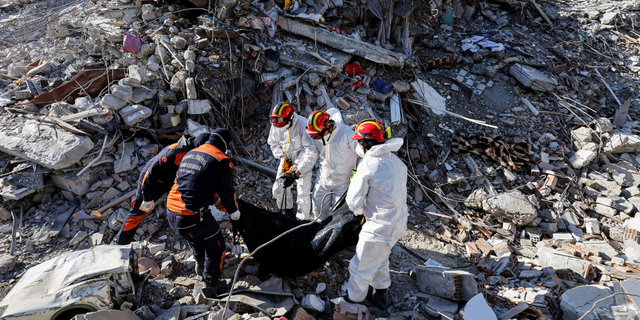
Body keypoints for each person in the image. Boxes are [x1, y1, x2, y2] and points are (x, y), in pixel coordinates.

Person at [166, 128, 240, 298]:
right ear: (225, 143)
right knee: (217, 246)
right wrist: (234, 212)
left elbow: (194, 181)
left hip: (171, 210)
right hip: (189, 215)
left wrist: (213, 199)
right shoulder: (222, 159)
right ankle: (212, 283)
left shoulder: (192, 153)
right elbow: (227, 192)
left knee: (198, 238)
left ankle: (200, 267)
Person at [344, 120, 408, 309]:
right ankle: (381, 295)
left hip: (378, 227)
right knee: (380, 258)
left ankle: (353, 303)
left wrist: (358, 212)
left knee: (359, 267)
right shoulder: (396, 162)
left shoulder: (369, 165)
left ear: (365, 143)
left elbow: (354, 201)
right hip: (397, 225)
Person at [116, 133, 211, 245]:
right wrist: (147, 198)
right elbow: (150, 175)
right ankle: (122, 244)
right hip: (152, 181)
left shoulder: (201, 154)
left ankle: (194, 238)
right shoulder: (175, 152)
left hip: (172, 181)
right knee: (139, 212)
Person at [267, 102, 319, 220]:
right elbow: (272, 143)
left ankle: (302, 220)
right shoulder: (276, 125)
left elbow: (308, 151)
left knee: (302, 195)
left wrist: (295, 170)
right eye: (275, 120)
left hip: (303, 163)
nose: (277, 123)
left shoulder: (302, 124)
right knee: (279, 189)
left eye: (279, 120)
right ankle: (287, 213)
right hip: (286, 160)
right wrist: (282, 157)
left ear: (289, 118)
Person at [306, 107, 359, 220]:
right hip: (323, 180)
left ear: (327, 127)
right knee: (318, 211)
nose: (314, 137)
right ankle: (318, 233)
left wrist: (359, 174)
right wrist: (296, 172)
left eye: (315, 135)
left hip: (343, 183)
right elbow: (310, 155)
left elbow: (362, 151)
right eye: (312, 135)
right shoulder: (316, 135)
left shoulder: (346, 132)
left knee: (338, 215)